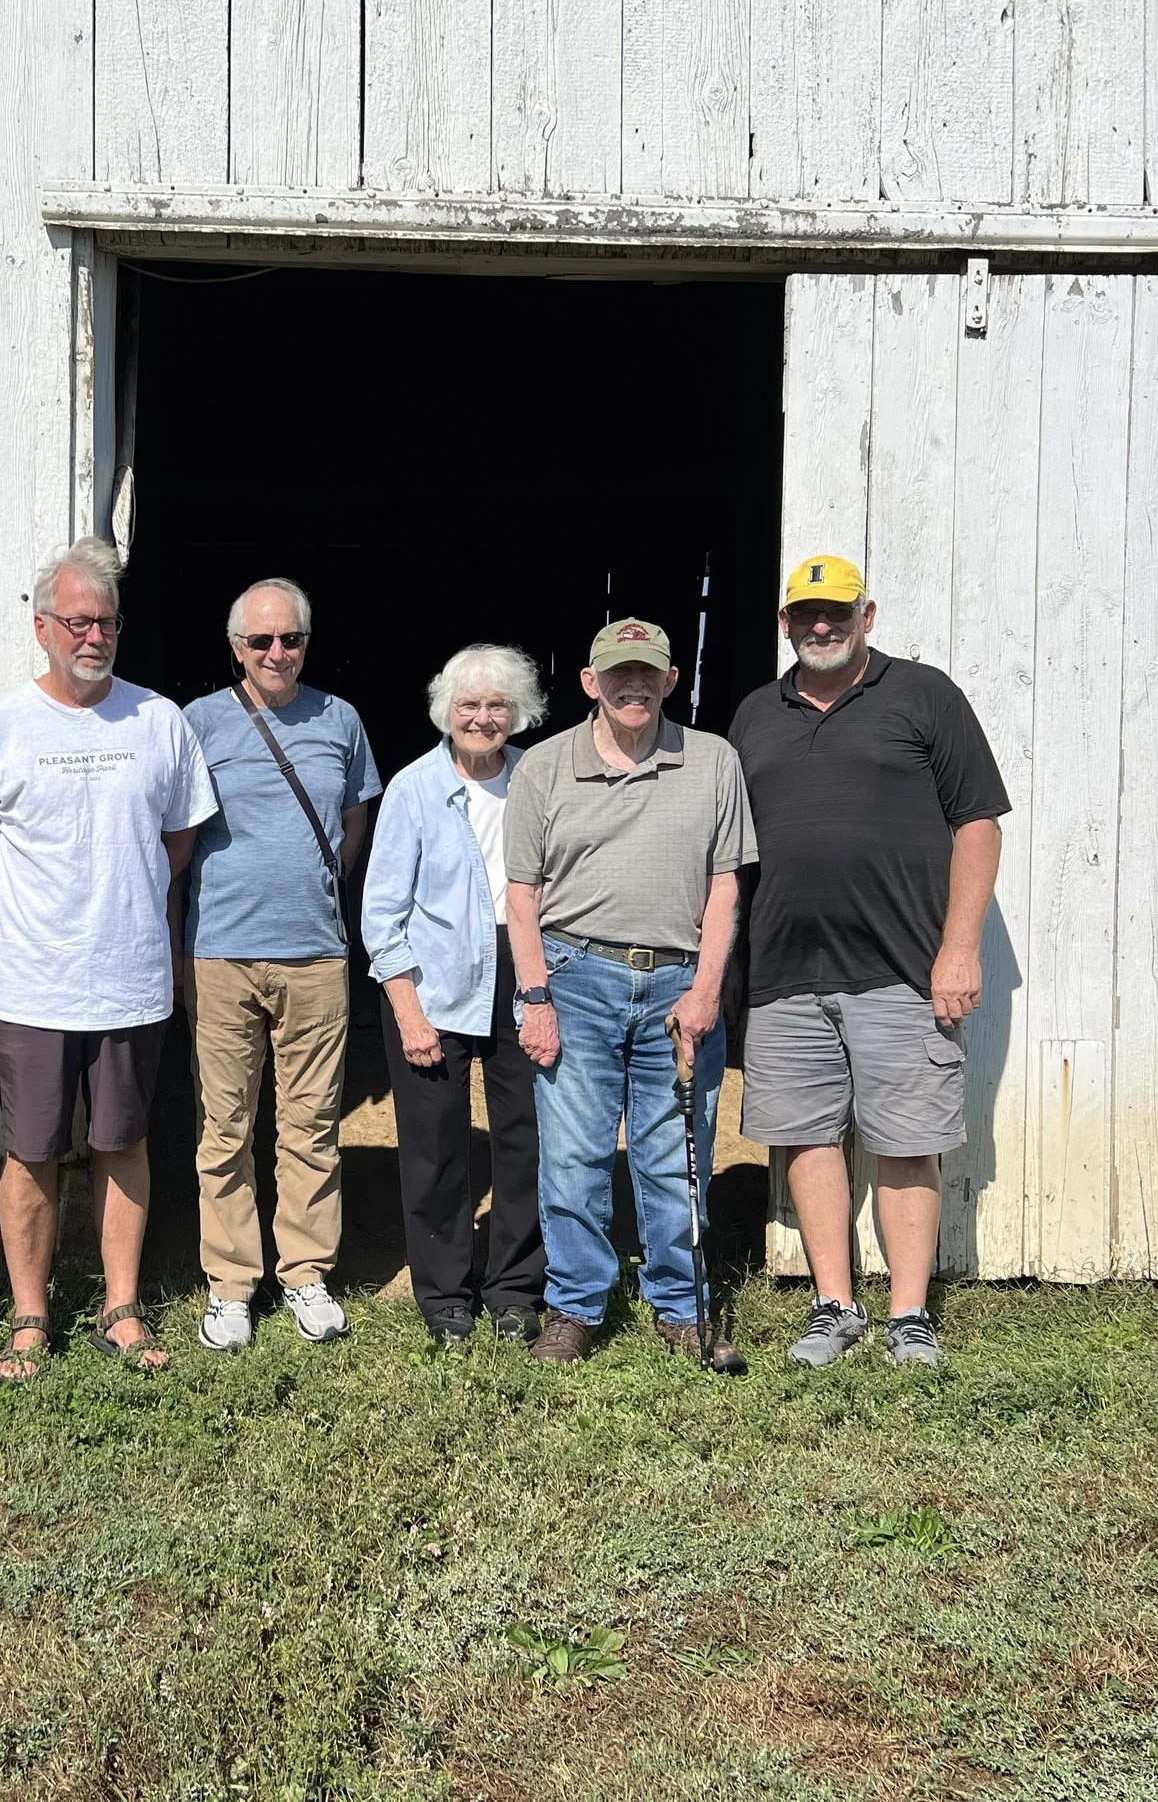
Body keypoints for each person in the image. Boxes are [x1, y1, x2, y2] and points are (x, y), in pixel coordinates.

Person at [727, 557, 1008, 1368]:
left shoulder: (924, 695)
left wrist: (959, 947)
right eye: (805, 613)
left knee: (906, 1138)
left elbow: (979, 823)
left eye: (836, 611)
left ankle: (909, 1313)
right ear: (785, 622)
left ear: (867, 613)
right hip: (785, 971)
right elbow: (732, 855)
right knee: (808, 1138)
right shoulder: (754, 715)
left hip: (901, 967)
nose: (821, 626)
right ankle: (834, 1304)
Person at [0, 537, 218, 1379]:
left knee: (123, 1143)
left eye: (104, 620)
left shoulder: (159, 720)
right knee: (31, 1151)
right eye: (76, 620)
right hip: (35, 983)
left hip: (131, 980)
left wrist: (121, 899)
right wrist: (50, 912)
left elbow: (176, 840)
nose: (92, 634)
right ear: (41, 627)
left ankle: (119, 1307)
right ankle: (30, 1316)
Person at [505, 618, 753, 1369]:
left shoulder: (713, 760)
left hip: (678, 983)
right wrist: (536, 997)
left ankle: (680, 1307)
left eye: (648, 672)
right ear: (591, 682)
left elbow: (724, 886)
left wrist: (708, 988)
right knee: (575, 1152)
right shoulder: (545, 768)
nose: (633, 685)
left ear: (672, 680)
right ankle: (576, 1306)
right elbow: (522, 897)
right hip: (576, 976)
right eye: (618, 673)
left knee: (674, 1151)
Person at [179, 579, 381, 1352]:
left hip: (317, 954)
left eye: (290, 639)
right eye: (260, 641)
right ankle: (231, 1283)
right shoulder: (198, 723)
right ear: (235, 647)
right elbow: (173, 831)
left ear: (306, 642)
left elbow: (355, 815)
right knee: (223, 1127)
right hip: (222, 952)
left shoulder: (341, 720)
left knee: (311, 1123)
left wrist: (321, 883)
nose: (276, 653)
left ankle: (304, 1272)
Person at [361, 645, 549, 1347]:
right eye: (468, 704)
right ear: (446, 710)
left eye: (497, 704)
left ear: (517, 712)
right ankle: (444, 1295)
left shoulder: (538, 778)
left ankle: (514, 1288)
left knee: (525, 1135)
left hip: (522, 966)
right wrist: (408, 1010)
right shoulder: (413, 788)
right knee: (435, 1143)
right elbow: (381, 913)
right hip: (431, 977)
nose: (482, 716)